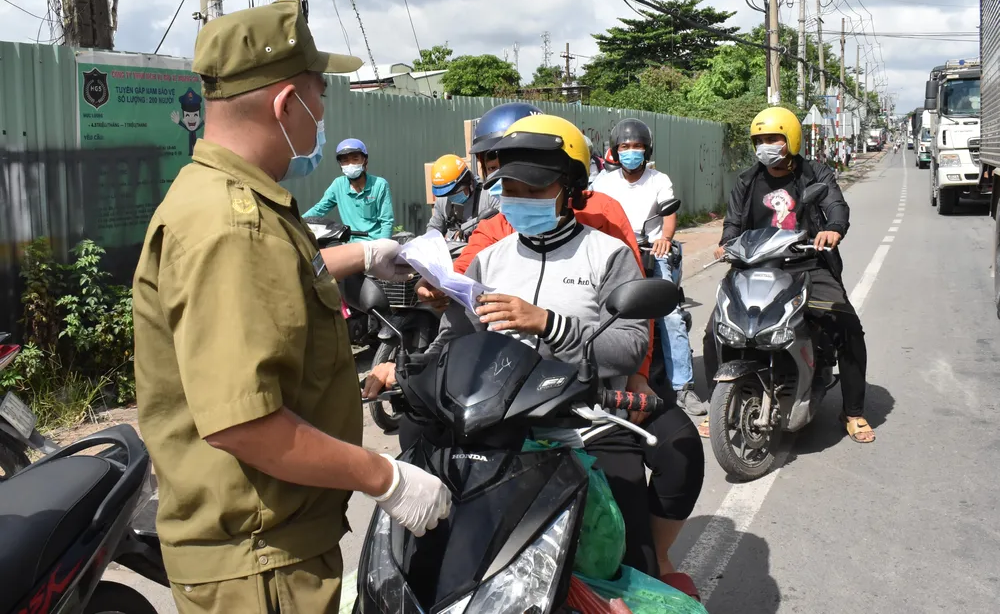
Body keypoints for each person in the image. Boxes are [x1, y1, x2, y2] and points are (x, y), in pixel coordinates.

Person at [131, 1, 451, 614]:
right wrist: (384, 478)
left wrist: (364, 254)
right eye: (319, 94)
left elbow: (271, 285)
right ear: (286, 105)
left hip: (268, 544)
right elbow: (243, 421)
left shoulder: (229, 199)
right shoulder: (232, 225)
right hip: (260, 561)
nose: (323, 114)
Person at [366, 115, 705, 595]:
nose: (519, 197)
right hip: (498, 425)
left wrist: (548, 322)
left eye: (535, 187)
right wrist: (404, 371)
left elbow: (631, 344)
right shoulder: (490, 258)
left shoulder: (606, 254)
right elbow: (452, 339)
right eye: (511, 186)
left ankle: (654, 561)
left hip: (586, 421)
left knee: (628, 563)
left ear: (570, 188)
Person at [705, 106, 874, 444]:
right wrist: (726, 243)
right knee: (716, 332)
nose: (766, 146)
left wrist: (833, 230)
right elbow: (734, 223)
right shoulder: (746, 180)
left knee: (847, 327)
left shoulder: (815, 174)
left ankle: (853, 412)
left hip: (807, 265)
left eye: (773, 139)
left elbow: (836, 207)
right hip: (756, 265)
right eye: (760, 140)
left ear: (791, 140)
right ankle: (720, 407)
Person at [591, 118, 706, 417]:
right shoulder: (603, 182)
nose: (631, 152)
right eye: (625, 147)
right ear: (615, 151)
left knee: (670, 317)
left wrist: (665, 240)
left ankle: (683, 387)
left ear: (647, 149)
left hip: (651, 252)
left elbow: (669, 214)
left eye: (637, 147)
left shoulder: (659, 180)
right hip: (615, 256)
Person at [302, 138, 395, 240]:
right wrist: (296, 222)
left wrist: (384, 245)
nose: (350, 164)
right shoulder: (338, 184)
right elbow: (319, 209)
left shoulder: (379, 184)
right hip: (350, 244)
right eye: (345, 161)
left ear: (365, 161)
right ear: (340, 165)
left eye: (355, 159)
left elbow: (387, 221)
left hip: (375, 243)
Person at [426, 153, 499, 238]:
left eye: (455, 192)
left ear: (469, 182)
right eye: (448, 194)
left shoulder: (488, 195)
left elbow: (501, 219)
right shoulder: (443, 201)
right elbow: (434, 227)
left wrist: (470, 226)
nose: (451, 197)